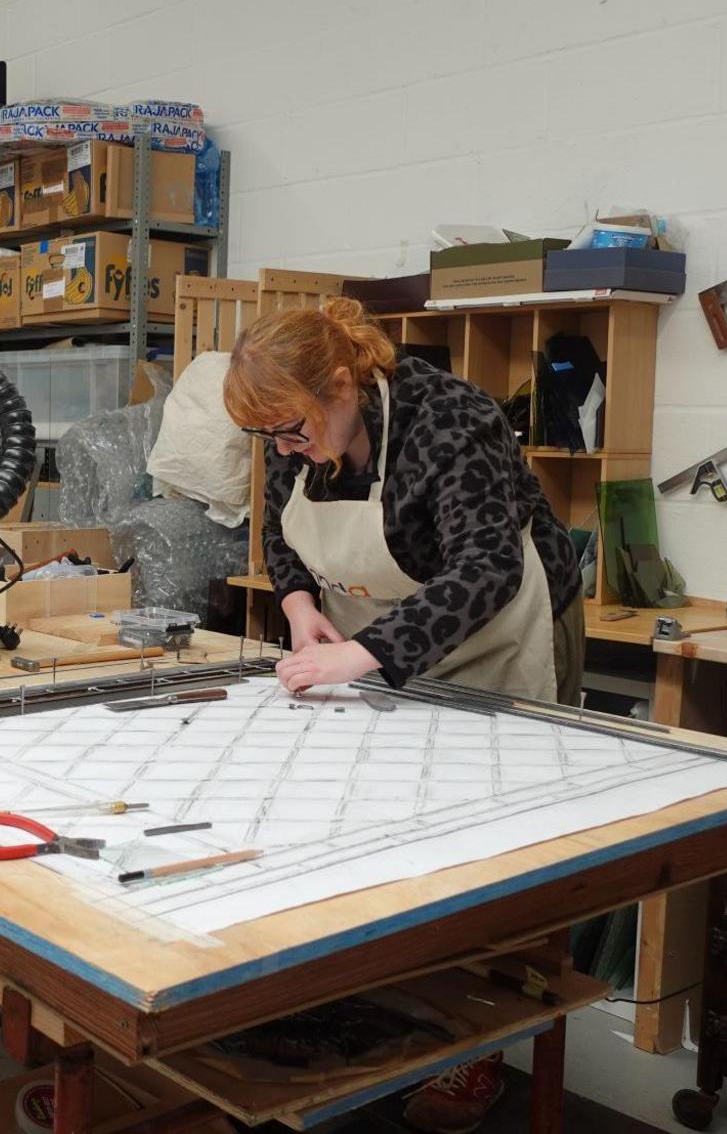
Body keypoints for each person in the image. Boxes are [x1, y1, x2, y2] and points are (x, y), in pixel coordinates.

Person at [223, 299, 585, 1133]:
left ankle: (479, 1045)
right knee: (376, 819)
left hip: (501, 632)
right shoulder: (300, 436)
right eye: (270, 440)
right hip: (380, 642)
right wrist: (300, 602)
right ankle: (380, 1007)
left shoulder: (450, 420)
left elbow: (490, 566)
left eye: (291, 431)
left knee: (493, 840)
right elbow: (281, 531)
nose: (285, 451)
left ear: (343, 384)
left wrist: (357, 656)